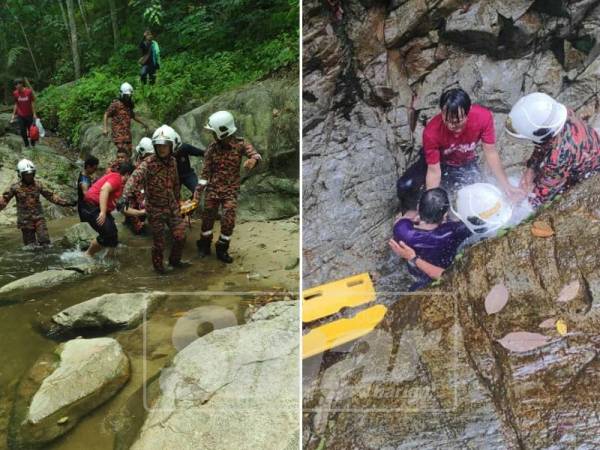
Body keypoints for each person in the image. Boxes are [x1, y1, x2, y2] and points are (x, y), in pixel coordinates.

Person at [396, 88, 523, 215]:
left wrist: (506, 185)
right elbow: (434, 171)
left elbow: (490, 153)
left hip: (463, 163)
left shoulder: (483, 117)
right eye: (448, 121)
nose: (452, 126)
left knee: (477, 202)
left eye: (457, 122)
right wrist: (432, 207)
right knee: (405, 186)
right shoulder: (432, 132)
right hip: (436, 161)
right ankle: (412, 213)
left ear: (468, 113)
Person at [506, 92, 600, 207]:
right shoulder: (560, 115)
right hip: (590, 145)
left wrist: (519, 202)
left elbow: (541, 196)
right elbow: (543, 143)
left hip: (591, 170)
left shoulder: (558, 158)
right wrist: (531, 169)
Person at [194, 111, 261, 263]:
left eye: (213, 132)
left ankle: (222, 249)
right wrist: (197, 194)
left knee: (228, 220)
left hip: (230, 191)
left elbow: (256, 155)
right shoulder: (211, 149)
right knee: (207, 220)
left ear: (222, 131)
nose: (212, 135)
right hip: (212, 191)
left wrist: (253, 161)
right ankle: (204, 245)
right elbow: (204, 174)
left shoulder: (240, 144)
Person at [124, 125, 188, 273]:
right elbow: (133, 179)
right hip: (155, 210)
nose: (161, 148)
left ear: (171, 145)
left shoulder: (173, 161)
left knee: (181, 236)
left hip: (172, 207)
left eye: (165, 145)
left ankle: (175, 261)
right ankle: (159, 269)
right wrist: (125, 196)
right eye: (158, 145)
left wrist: (179, 204)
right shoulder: (147, 163)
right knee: (159, 244)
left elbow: (176, 184)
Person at [389, 188, 471, 291]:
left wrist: (416, 220)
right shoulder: (453, 231)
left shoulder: (402, 229)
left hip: (415, 273)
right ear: (445, 215)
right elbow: (473, 225)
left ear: (418, 208)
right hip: (442, 271)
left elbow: (402, 219)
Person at [0, 159, 75, 246]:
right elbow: (4, 200)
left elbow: (51, 196)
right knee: (30, 247)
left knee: (45, 242)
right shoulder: (15, 187)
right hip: (25, 222)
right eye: (26, 175)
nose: (29, 176)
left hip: (39, 219)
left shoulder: (38, 185)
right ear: (21, 174)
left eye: (31, 174)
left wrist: (67, 203)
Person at [80, 162, 137, 258]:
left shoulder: (120, 185)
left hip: (95, 207)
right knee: (108, 234)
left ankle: (108, 258)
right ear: (127, 174)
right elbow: (104, 190)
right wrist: (102, 212)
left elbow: (123, 209)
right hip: (91, 207)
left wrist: (144, 212)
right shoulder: (116, 178)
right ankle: (87, 255)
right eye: (133, 176)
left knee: (113, 236)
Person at [103, 82, 149, 155]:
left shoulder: (128, 105)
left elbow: (133, 116)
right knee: (121, 154)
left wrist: (143, 123)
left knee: (129, 154)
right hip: (118, 135)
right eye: (126, 96)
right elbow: (106, 114)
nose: (128, 97)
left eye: (129, 96)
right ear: (122, 94)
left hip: (127, 136)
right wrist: (105, 129)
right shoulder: (116, 104)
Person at [123, 137, 154, 234]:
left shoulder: (142, 160)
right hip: (134, 193)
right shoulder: (142, 165)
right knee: (138, 227)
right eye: (150, 154)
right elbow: (136, 186)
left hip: (138, 192)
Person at [11, 78, 37, 148]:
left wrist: (34, 113)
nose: (17, 86)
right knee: (22, 131)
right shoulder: (15, 93)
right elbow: (16, 104)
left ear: (22, 84)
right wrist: (13, 115)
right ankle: (26, 144)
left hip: (29, 115)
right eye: (15, 85)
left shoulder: (29, 92)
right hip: (20, 115)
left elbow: (32, 102)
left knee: (31, 131)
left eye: (18, 84)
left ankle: (32, 143)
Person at [77, 156, 99, 221]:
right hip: (85, 208)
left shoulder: (85, 175)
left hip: (86, 207)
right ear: (88, 167)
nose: (95, 171)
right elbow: (86, 194)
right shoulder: (84, 181)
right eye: (94, 169)